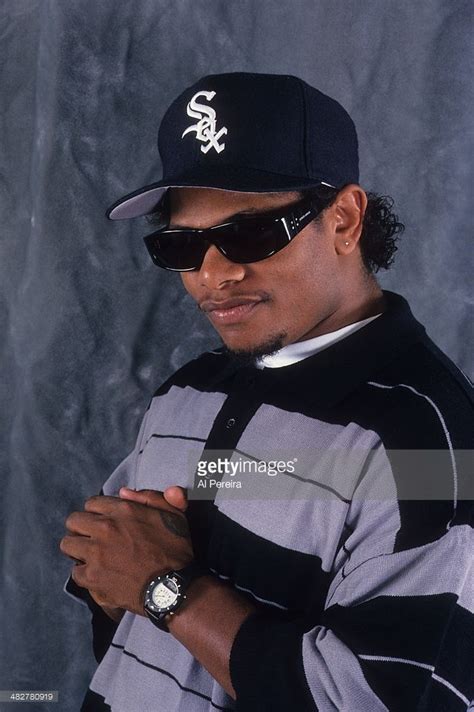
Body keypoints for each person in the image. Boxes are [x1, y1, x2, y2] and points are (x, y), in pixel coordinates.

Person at [60, 72, 473, 712]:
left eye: (252, 233)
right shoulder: (183, 395)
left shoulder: (423, 440)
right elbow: (125, 627)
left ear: (345, 218)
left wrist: (166, 585)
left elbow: (378, 701)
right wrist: (113, 581)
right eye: (182, 245)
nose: (214, 274)